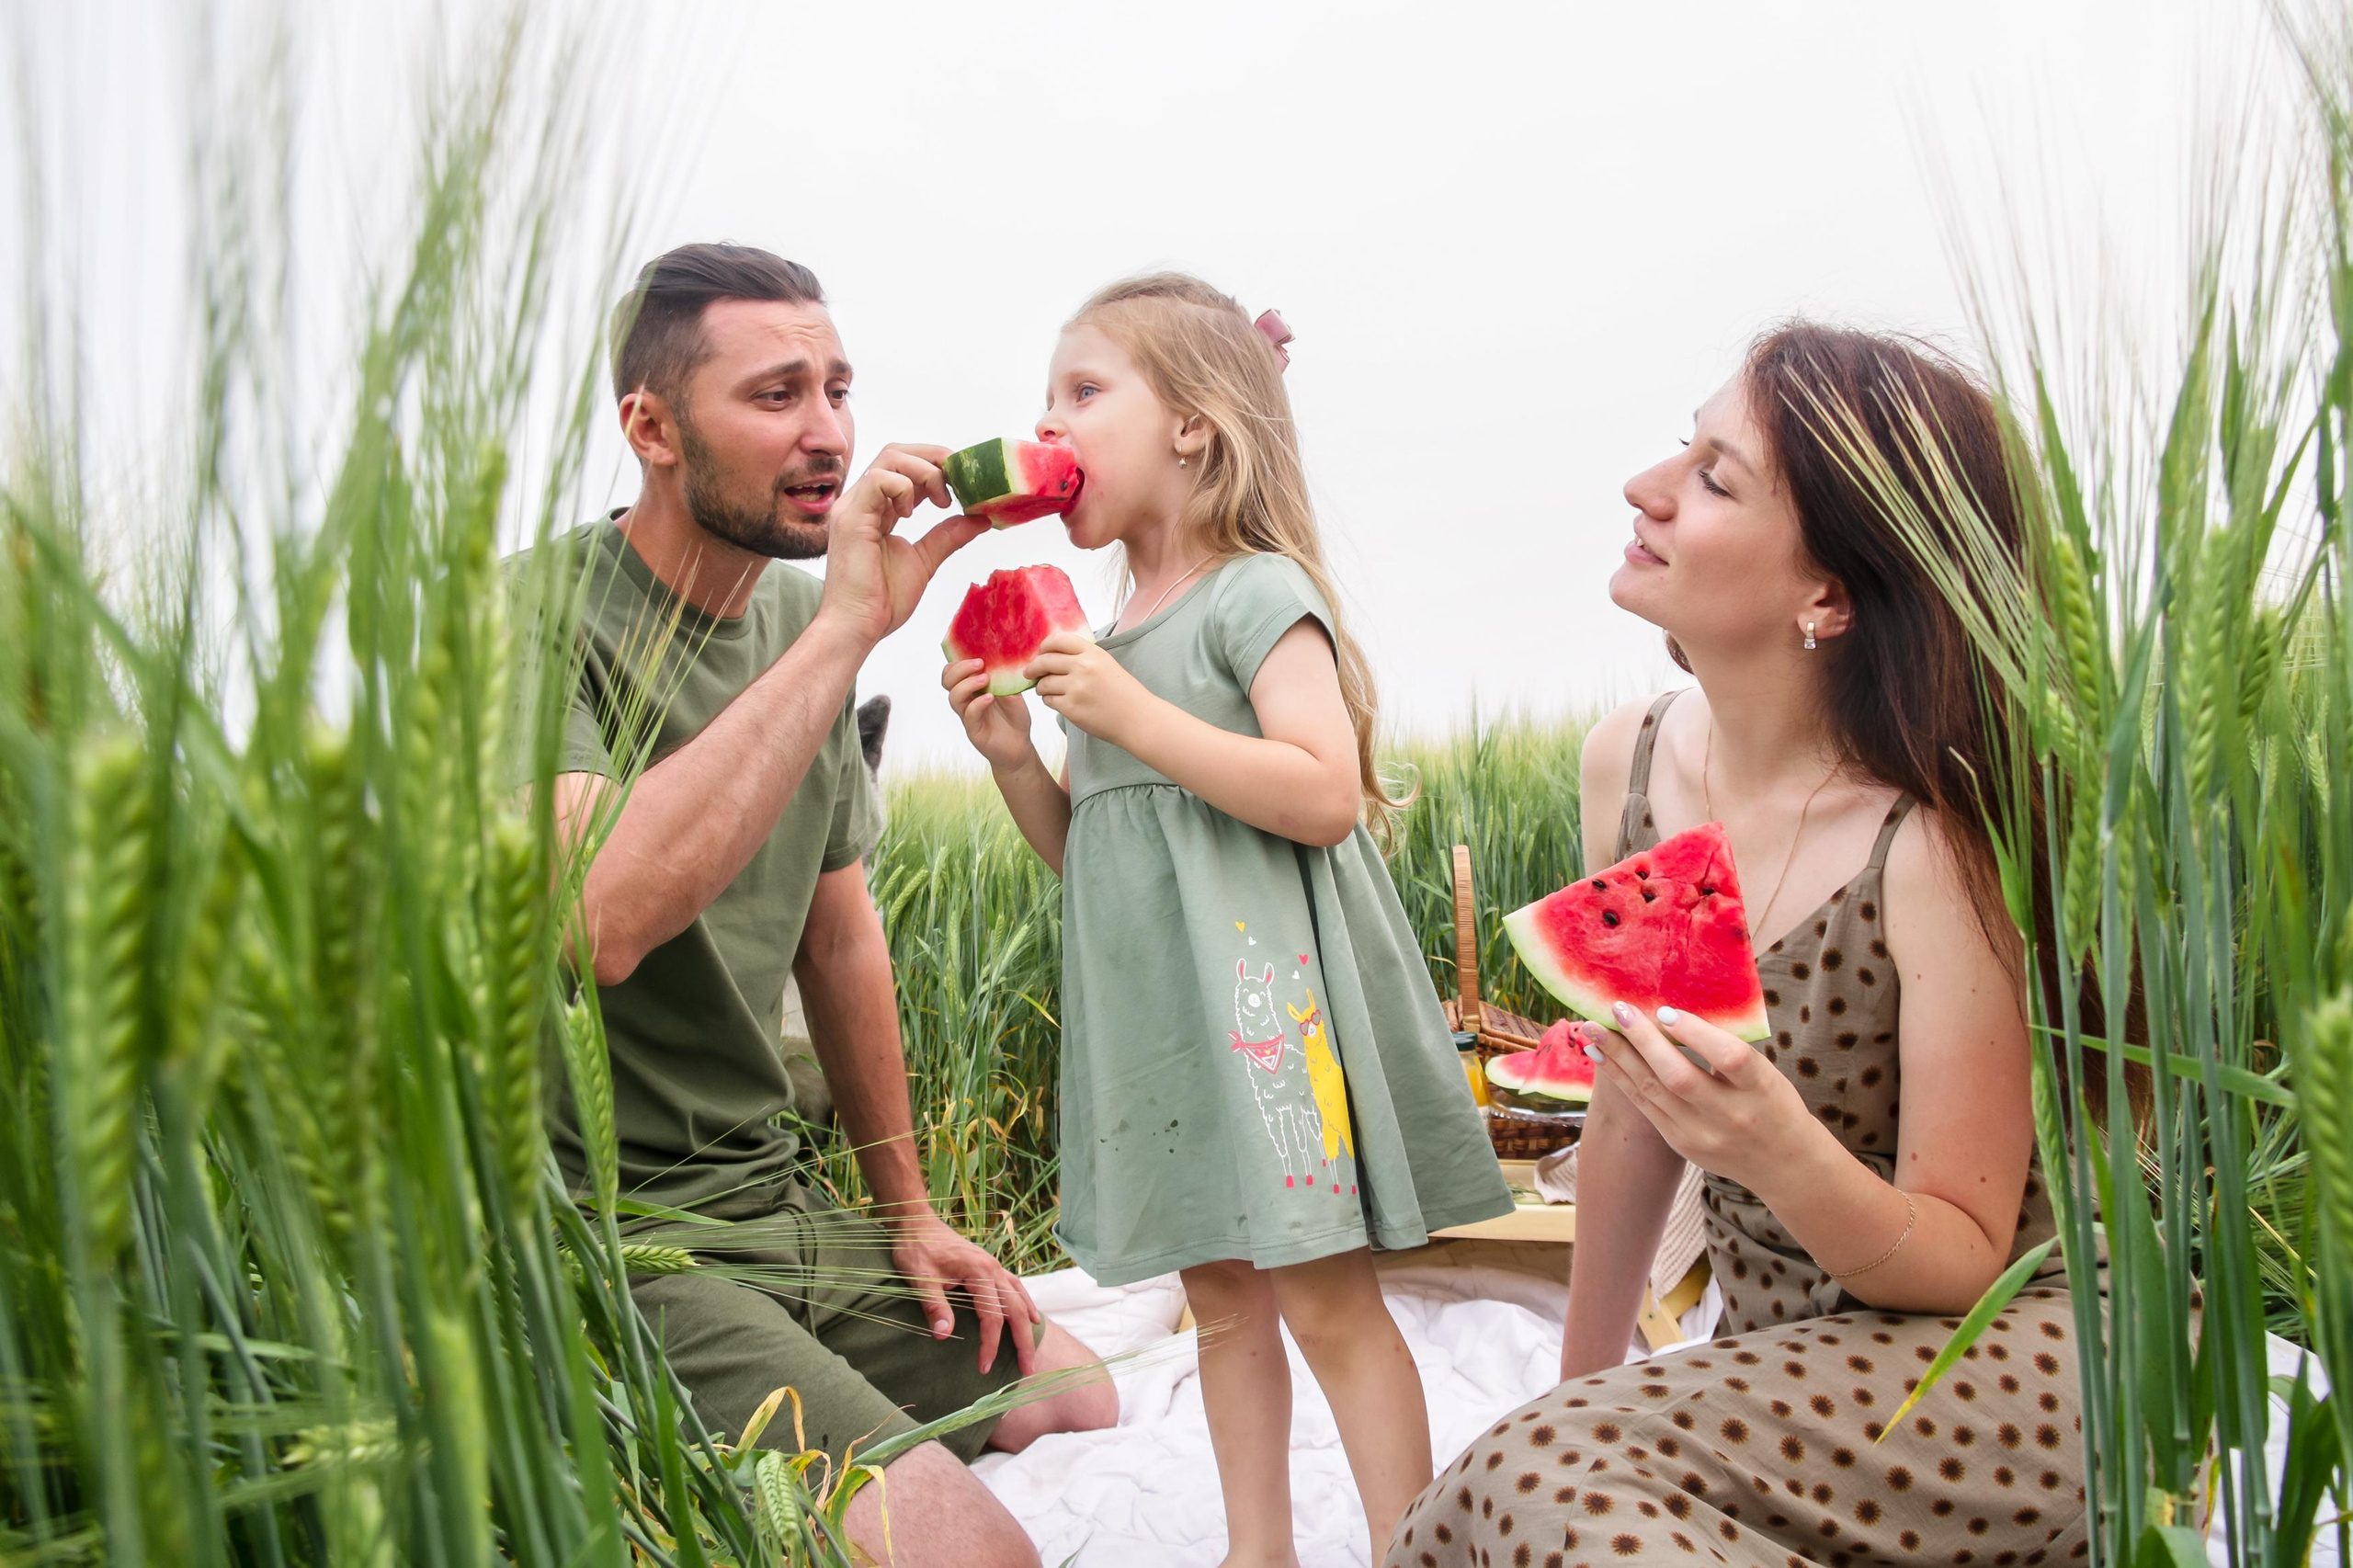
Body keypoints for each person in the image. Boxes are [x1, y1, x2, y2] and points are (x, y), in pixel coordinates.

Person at [1390, 324, 2094, 1568]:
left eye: (1715, 479)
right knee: (1503, 1484)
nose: (1646, 488)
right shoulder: (1634, 763)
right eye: (1683, 449)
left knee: (1538, 1483)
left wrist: (1777, 1150)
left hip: (1995, 1359)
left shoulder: (1930, 848)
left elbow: (1961, 1255)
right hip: (1783, 1360)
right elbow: (1631, 1111)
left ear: (1829, 596)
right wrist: (1578, 1391)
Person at [538, 243, 1115, 1568]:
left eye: (838, 390)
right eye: (776, 394)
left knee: (1074, 1393)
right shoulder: (530, 616)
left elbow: (840, 936)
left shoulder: (800, 613)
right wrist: (846, 631)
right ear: (652, 429)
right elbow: (598, 922)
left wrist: (907, 1210)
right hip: (614, 1232)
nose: (829, 434)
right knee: (982, 1556)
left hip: (775, 1201)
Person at [944, 272, 1514, 1564]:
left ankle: (1407, 1547)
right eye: (1045, 399)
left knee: (1325, 1301)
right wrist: (1016, 756)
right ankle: (1260, 1549)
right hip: (1169, 1035)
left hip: (1269, 1025)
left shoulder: (1255, 595)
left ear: (1193, 425)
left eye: (1085, 390)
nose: (1050, 423)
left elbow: (1320, 792)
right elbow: (1093, 853)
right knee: (1220, 1303)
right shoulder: (1101, 639)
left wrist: (1131, 714)